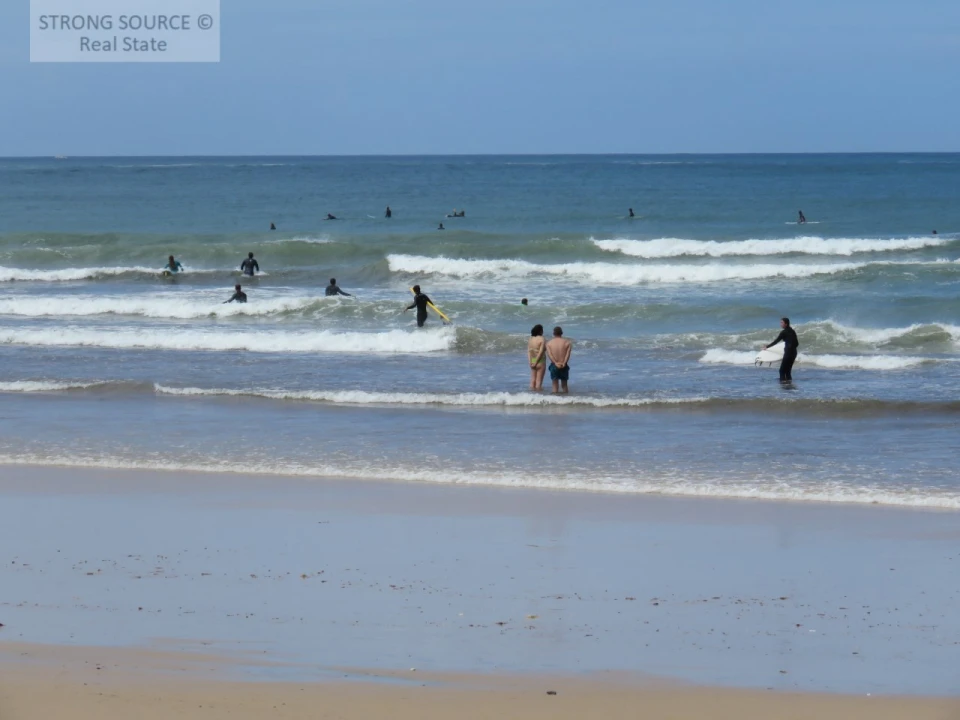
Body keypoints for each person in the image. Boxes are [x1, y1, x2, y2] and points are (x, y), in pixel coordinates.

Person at [764, 317, 799, 383]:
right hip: (794, 353)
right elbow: (797, 343)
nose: (780, 324)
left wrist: (767, 347)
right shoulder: (792, 331)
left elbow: (776, 341)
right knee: (788, 371)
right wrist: (792, 348)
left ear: (786, 324)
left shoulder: (784, 332)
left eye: (782, 322)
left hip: (788, 353)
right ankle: (789, 386)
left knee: (782, 371)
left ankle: (783, 388)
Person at [545, 326, 572, 394]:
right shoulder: (567, 343)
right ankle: (565, 401)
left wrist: (555, 363)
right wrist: (564, 363)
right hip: (563, 365)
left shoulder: (549, 343)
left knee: (554, 385)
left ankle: (555, 401)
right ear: (561, 333)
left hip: (554, 365)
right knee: (564, 385)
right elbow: (567, 355)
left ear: (554, 333)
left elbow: (550, 355)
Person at [528, 324, 546, 391]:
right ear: (540, 331)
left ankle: (532, 397)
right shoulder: (542, 339)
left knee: (532, 381)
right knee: (538, 383)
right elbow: (541, 352)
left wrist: (530, 362)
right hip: (540, 361)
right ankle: (538, 397)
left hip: (532, 360)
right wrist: (536, 362)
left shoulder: (531, 339)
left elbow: (529, 351)